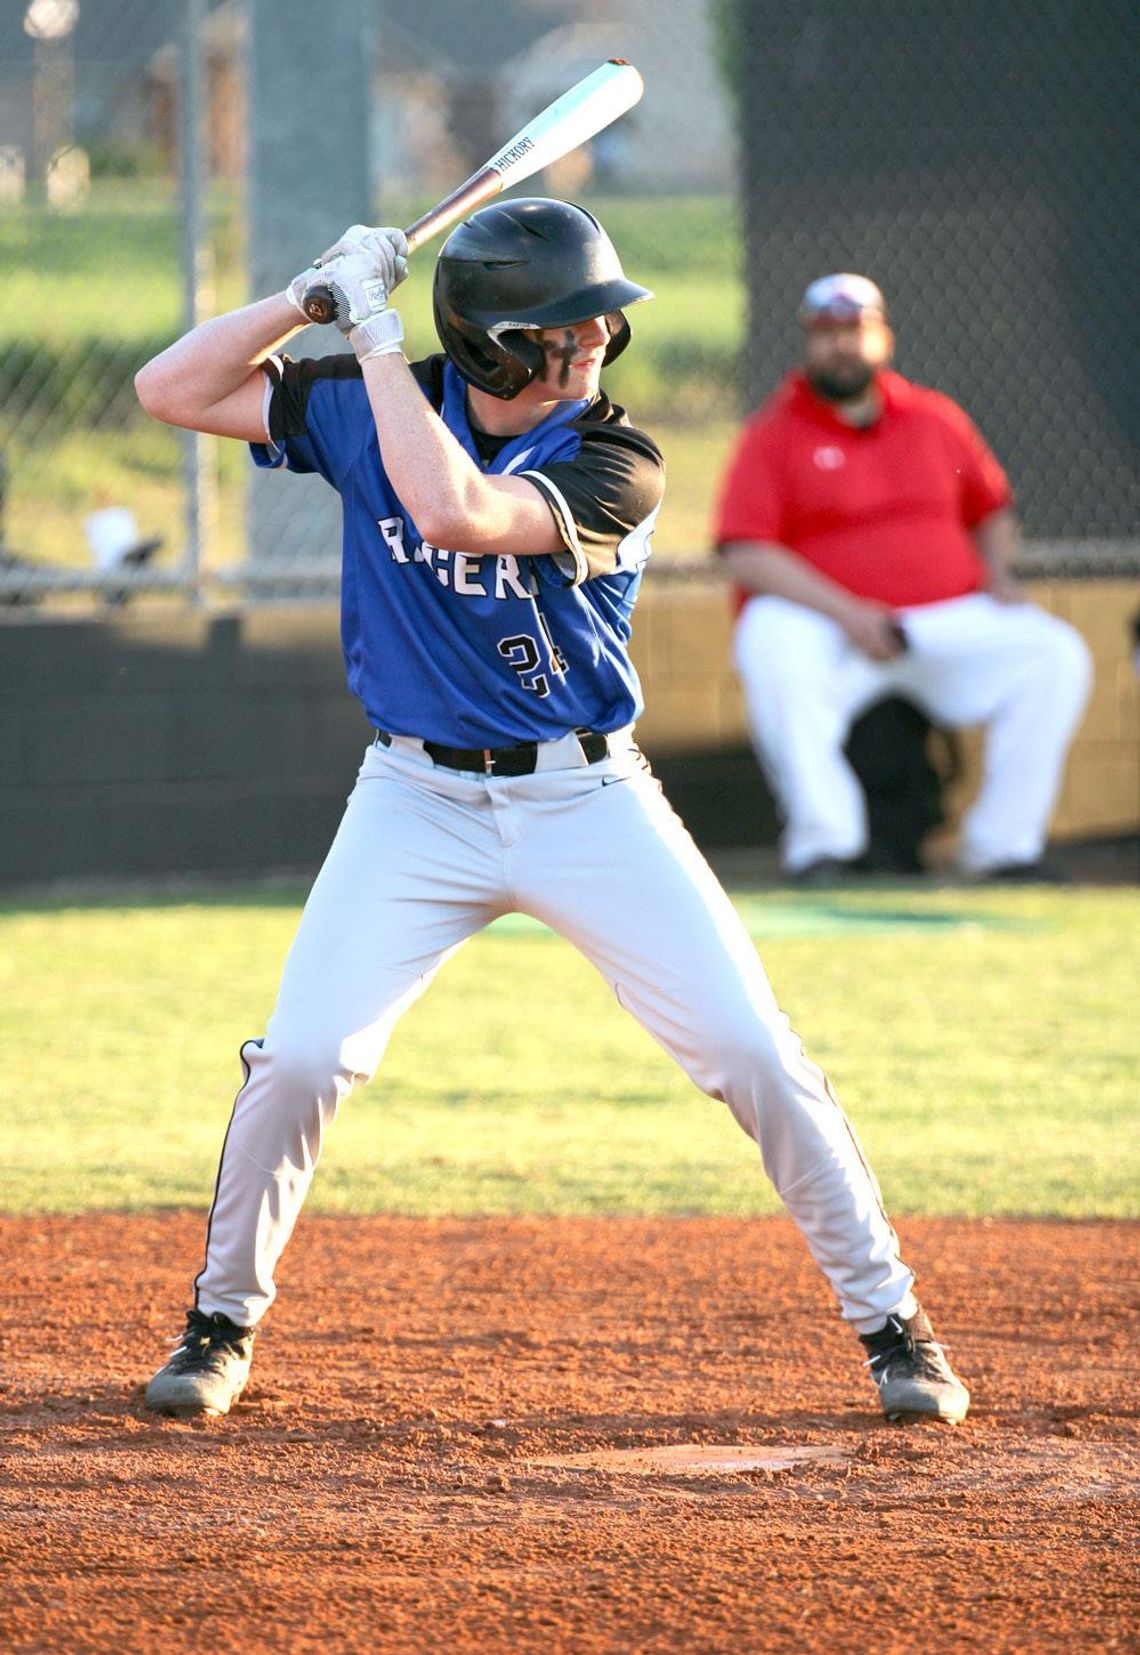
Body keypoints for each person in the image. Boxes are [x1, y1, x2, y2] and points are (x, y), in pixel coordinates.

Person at [135, 202, 968, 1426]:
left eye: (594, 328)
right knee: (304, 1055)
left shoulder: (615, 458)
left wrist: (369, 339)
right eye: (564, 332)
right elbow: (170, 386)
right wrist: (311, 299)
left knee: (753, 1053)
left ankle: (896, 1323)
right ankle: (219, 1324)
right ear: (489, 347)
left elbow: (453, 513)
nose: (592, 349)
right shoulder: (379, 396)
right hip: (413, 797)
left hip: (588, 795)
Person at [713, 273, 1092, 884]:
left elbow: (991, 508)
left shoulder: (935, 418)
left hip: (944, 623)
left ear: (883, 336)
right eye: (828, 333)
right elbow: (746, 550)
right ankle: (824, 847)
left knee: (1054, 653)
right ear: (808, 342)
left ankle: (1001, 849)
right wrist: (848, 613)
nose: (843, 345)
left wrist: (997, 571)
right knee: (768, 633)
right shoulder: (773, 433)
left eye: (856, 330)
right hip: (833, 629)